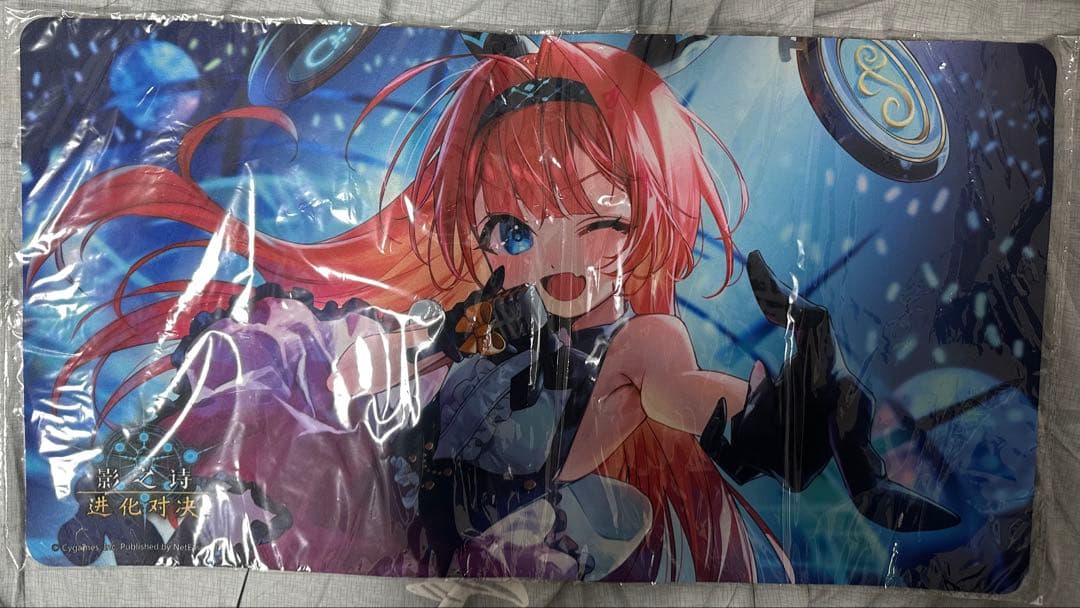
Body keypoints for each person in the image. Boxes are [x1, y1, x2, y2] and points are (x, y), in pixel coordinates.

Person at [32, 36, 955, 582]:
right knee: (253, 359)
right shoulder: (489, 311)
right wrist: (380, 354)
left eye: (596, 221)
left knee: (280, 419)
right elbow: (388, 379)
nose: (556, 255)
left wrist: (774, 417)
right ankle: (127, 502)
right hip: (395, 491)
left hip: (454, 544)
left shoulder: (639, 341)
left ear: (640, 219)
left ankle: (155, 512)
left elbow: (689, 394)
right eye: (517, 226)